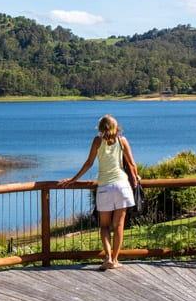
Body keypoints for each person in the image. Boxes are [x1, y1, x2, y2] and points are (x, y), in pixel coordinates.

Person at [59, 114, 139, 270]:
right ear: (116, 127)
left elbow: (89, 163)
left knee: (104, 226)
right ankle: (115, 260)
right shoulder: (122, 141)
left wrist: (74, 179)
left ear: (101, 128)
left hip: (105, 187)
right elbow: (132, 164)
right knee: (119, 226)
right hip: (122, 186)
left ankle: (107, 258)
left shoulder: (97, 141)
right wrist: (135, 178)